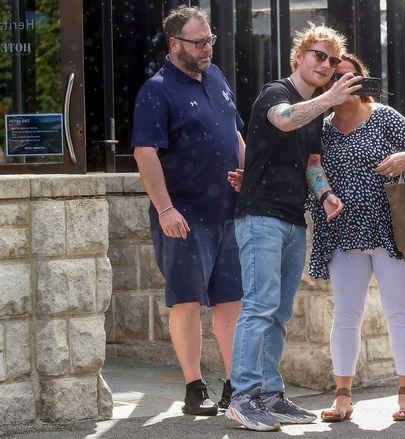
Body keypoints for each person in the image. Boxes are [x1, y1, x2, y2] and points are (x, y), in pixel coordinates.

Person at [224, 24, 362, 432]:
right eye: (318, 55)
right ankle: (243, 397)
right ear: (299, 57)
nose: (326, 64)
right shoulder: (276, 93)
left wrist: (325, 196)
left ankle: (269, 394)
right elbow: (284, 121)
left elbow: (312, 165)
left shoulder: (316, 113)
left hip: (291, 219)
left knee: (279, 312)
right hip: (259, 217)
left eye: (333, 60)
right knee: (259, 306)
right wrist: (329, 98)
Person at [309, 53, 405, 423]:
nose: (345, 83)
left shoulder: (385, 116)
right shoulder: (321, 127)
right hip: (342, 233)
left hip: (390, 231)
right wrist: (324, 194)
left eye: (352, 77)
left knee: (399, 313)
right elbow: (311, 168)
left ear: (363, 81)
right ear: (327, 86)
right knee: (346, 316)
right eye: (337, 78)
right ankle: (343, 397)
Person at [132, 5, 244, 416]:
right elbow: (145, 153)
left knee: (232, 301)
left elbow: (233, 131)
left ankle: (236, 386)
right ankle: (195, 388)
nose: (208, 48)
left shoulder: (215, 77)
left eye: (210, 39)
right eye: (199, 42)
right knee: (188, 302)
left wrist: (246, 174)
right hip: (183, 216)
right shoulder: (156, 90)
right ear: (174, 43)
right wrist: (164, 209)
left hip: (227, 212)